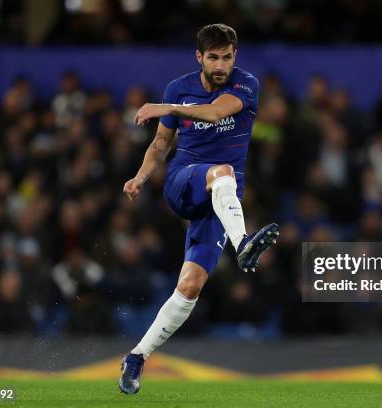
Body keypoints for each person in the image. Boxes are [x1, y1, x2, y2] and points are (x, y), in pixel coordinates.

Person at [118, 23, 279, 394]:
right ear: (199, 58)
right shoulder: (179, 88)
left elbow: (213, 111)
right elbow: (160, 145)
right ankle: (244, 245)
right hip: (184, 182)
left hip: (221, 201)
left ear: (235, 56)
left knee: (190, 286)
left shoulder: (245, 85)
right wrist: (140, 177)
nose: (221, 64)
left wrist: (168, 107)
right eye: (213, 57)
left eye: (227, 56)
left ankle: (136, 357)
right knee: (222, 172)